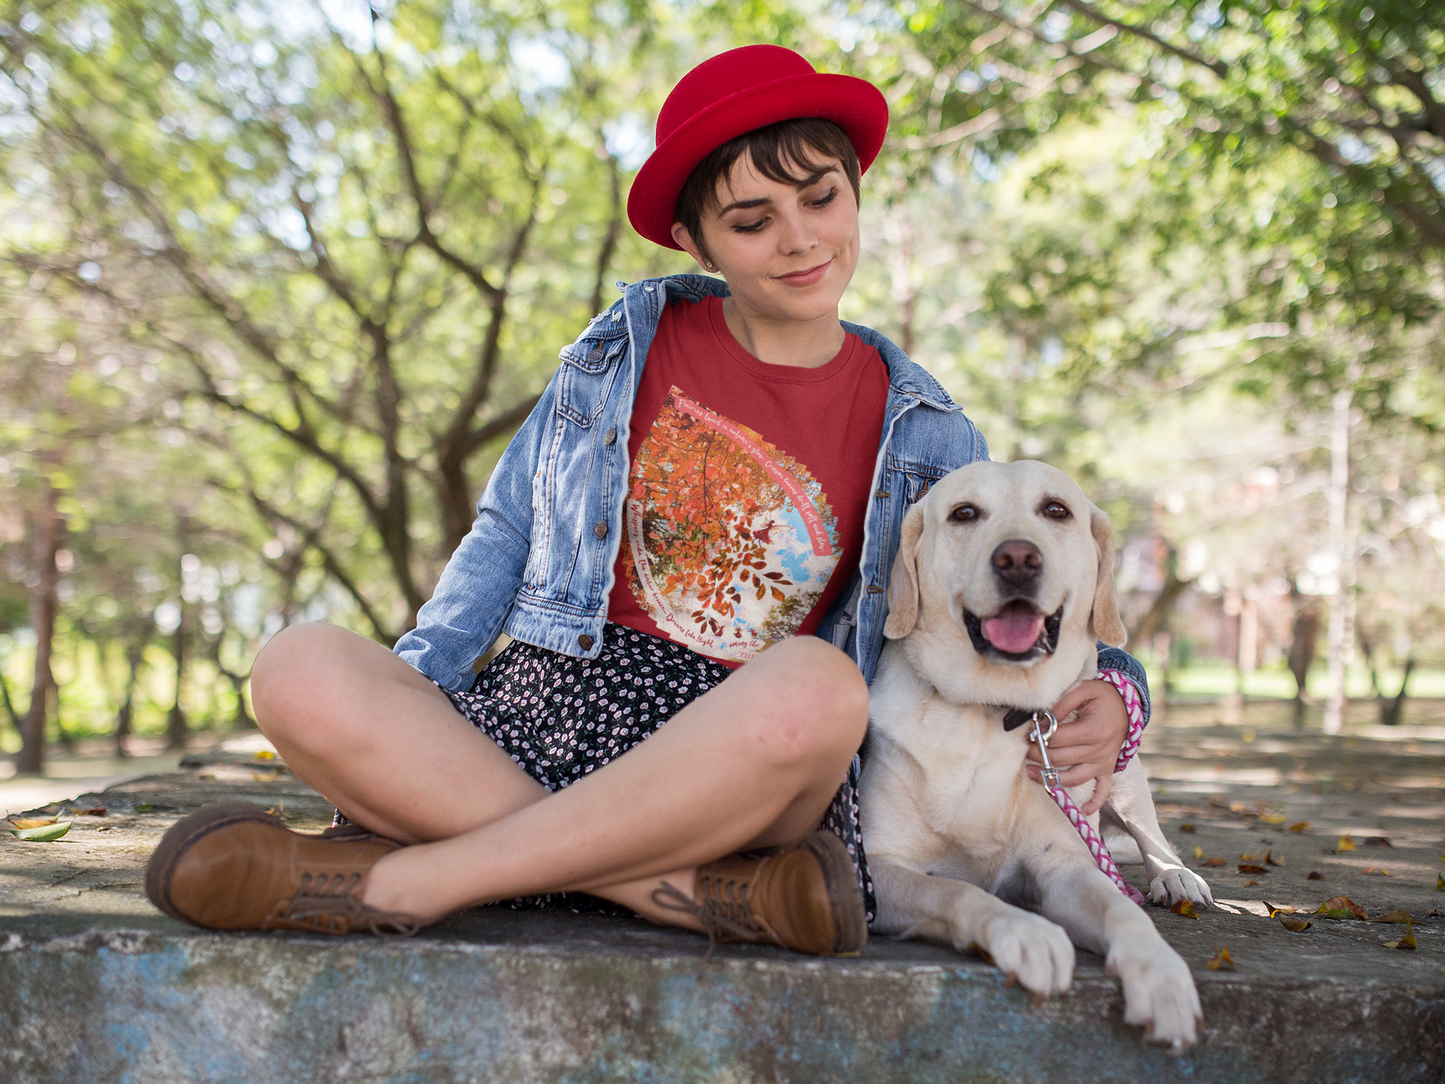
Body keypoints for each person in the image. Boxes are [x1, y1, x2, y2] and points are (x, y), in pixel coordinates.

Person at [144, 45, 1151, 955]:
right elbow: (504, 529)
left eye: (819, 199)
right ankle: (684, 893)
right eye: (751, 220)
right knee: (295, 666)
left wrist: (1116, 691)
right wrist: (414, 698)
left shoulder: (930, 435)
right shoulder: (621, 348)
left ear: (855, 192)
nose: (797, 240)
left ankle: (413, 877)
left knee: (822, 690)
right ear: (694, 238)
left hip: (739, 750)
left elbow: (1025, 596)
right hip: (547, 705)